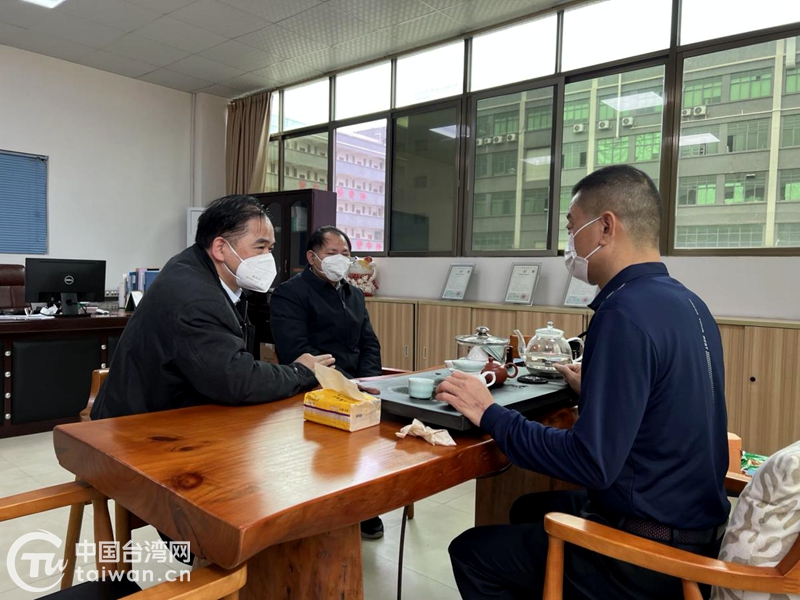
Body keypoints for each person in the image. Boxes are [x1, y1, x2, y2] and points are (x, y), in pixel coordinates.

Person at [437, 165, 730, 600]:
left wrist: (489, 412)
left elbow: (589, 462)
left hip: (650, 556)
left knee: (471, 553)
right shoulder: (689, 303)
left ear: (606, 227)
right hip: (697, 530)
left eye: (573, 227)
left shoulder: (623, 313)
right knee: (528, 508)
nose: (569, 243)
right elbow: (663, 401)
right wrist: (594, 389)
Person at [91, 195, 334, 420]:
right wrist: (299, 371)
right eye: (260, 248)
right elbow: (237, 380)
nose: (268, 258)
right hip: (136, 427)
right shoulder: (196, 297)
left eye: (270, 249)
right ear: (220, 248)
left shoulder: (195, 267)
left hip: (169, 413)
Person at [270, 225, 384, 539]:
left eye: (346, 254)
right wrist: (345, 386)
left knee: (376, 435)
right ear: (312, 257)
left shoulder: (354, 293)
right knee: (334, 442)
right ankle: (326, 508)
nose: (340, 259)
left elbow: (369, 343)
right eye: (332, 253)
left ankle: (363, 504)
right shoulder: (290, 293)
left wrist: (368, 380)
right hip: (314, 385)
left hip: (358, 384)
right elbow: (296, 351)